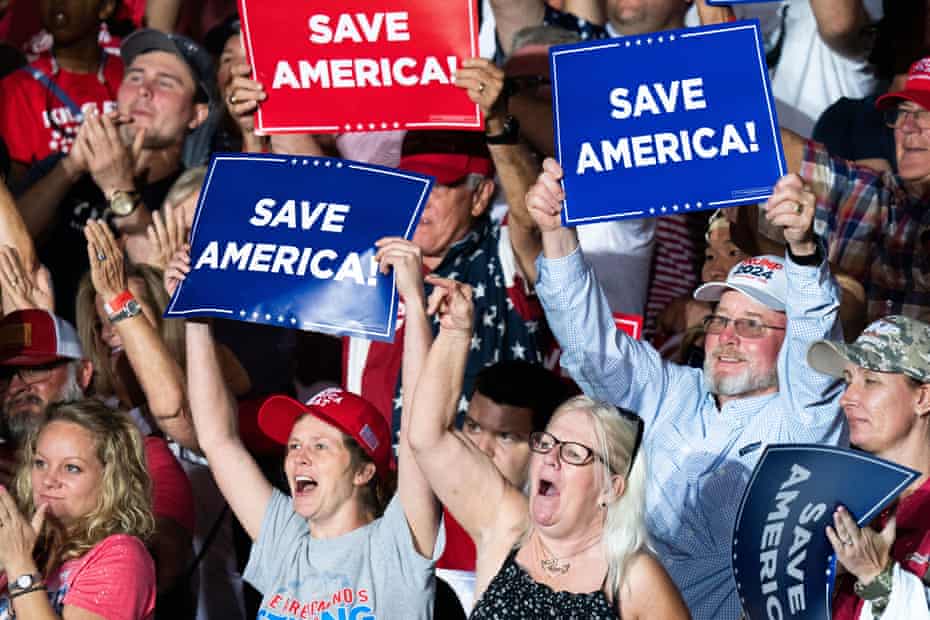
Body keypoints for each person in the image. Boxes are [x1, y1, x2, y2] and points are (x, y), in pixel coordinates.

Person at [525, 159, 848, 619]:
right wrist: (557, 236)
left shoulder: (804, 422)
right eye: (720, 319)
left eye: (752, 325)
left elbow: (816, 343)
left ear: (790, 338)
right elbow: (591, 348)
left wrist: (802, 249)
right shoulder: (670, 391)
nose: (729, 337)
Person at [181, 234, 444, 619]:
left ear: (364, 470)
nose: (299, 457)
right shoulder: (286, 541)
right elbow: (218, 440)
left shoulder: (394, 545)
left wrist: (416, 307)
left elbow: (422, 428)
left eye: (320, 446)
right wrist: (196, 314)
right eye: (293, 446)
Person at [408, 275, 689, 618]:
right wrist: (454, 334)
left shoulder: (634, 580)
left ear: (612, 488)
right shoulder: (506, 527)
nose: (551, 458)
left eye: (573, 453)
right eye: (547, 443)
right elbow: (427, 437)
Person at [0, 306, 196, 616]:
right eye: (39, 463)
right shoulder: (29, 540)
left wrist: (20, 569)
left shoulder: (121, 550)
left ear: (83, 373)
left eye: (36, 370)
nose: (17, 385)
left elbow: (164, 563)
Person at [15, 27, 213, 322]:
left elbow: (164, 284)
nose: (144, 90)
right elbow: (9, 246)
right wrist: (70, 167)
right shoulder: (63, 168)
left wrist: (117, 187)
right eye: (134, 77)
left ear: (197, 115)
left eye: (166, 83)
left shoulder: (196, 193)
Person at [778, 56, 930, 324]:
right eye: (902, 113)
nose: (907, 127)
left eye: (925, 114)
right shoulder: (867, 192)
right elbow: (769, 143)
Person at [806, 315, 930, 620]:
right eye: (848, 381)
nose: (846, 398)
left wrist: (879, 578)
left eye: (871, 381)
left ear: (924, 397)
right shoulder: (840, 500)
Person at [0, 398, 156, 619]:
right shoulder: (31, 547)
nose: (49, 480)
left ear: (112, 479)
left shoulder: (122, 556)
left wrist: (19, 566)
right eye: (40, 463)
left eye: (71, 468)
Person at [437, 359, 568, 613]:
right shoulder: (427, 515)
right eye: (473, 427)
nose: (481, 449)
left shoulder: (570, 540)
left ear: (546, 446)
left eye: (506, 436)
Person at [0, 0, 123, 186]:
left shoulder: (132, 77)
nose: (57, 2)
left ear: (106, 7)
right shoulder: (16, 88)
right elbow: (16, 192)